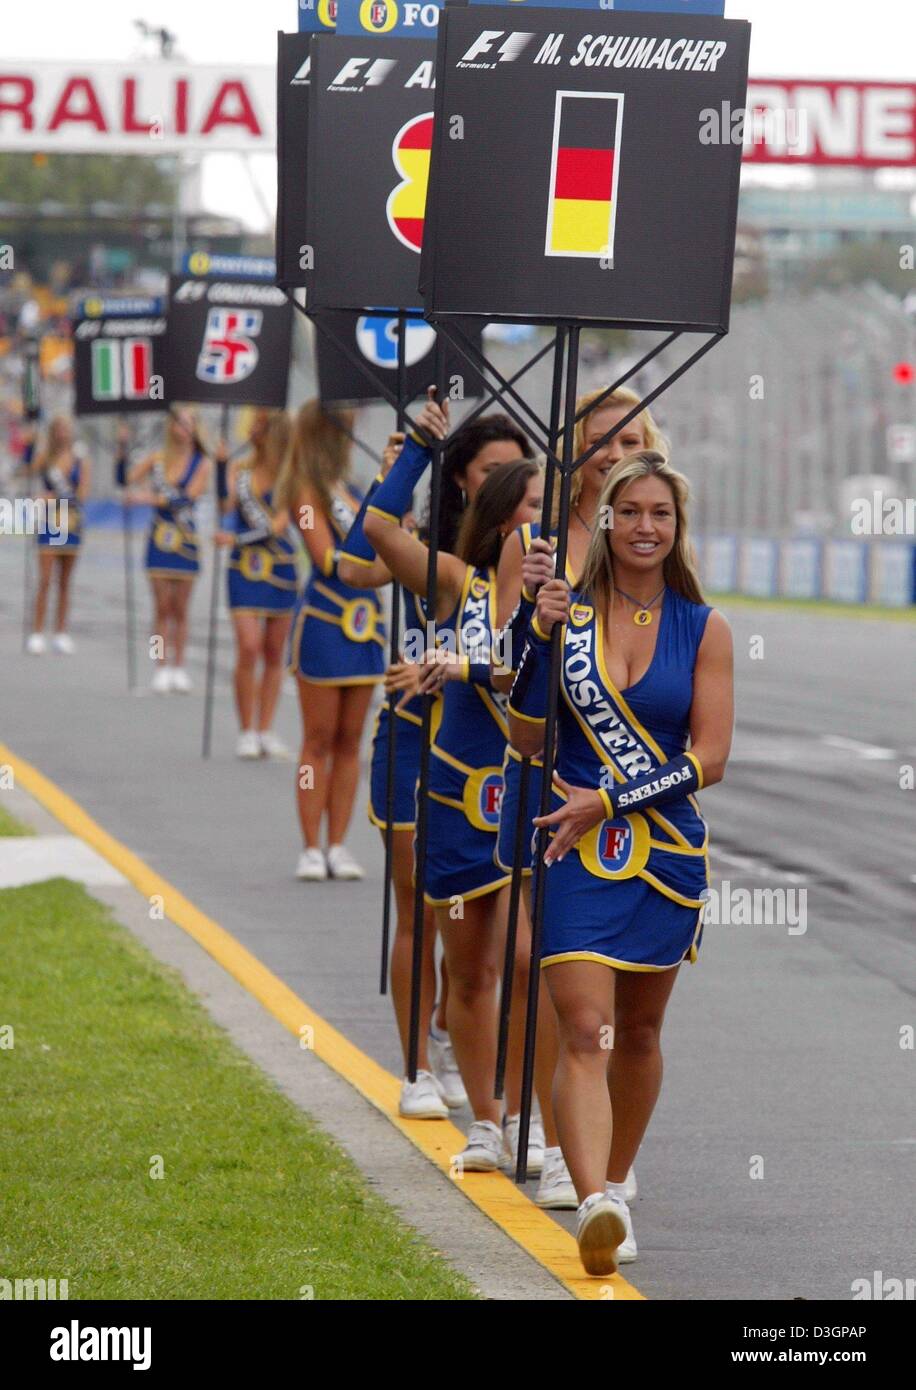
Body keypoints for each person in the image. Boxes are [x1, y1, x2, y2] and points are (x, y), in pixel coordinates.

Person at [509, 448, 733, 1276]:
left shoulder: (704, 627)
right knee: (582, 1027)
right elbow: (527, 736)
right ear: (604, 520)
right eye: (629, 511)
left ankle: (613, 1179)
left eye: (660, 514)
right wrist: (537, 629)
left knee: (638, 1031)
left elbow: (710, 758)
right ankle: (595, 1198)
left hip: (666, 853)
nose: (644, 526)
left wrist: (613, 798)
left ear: (677, 529)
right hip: (572, 846)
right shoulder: (565, 614)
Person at [365, 390, 559, 1173]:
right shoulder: (457, 582)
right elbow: (377, 530)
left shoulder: (564, 597)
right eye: (529, 502)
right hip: (450, 794)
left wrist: (463, 664)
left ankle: (536, 1121)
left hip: (527, 796)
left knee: (527, 960)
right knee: (471, 969)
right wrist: (416, 446)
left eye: (553, 503)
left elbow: (531, 675)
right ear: (500, 510)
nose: (540, 519)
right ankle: (486, 1117)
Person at [492, 386, 666, 1207]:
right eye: (600, 438)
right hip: (544, 770)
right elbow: (492, 659)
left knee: (610, 987)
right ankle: (554, 1135)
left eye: (629, 435)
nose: (614, 449)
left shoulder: (647, 533)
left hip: (626, 793)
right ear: (575, 449)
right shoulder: (535, 542)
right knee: (534, 963)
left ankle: (588, 1152)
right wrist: (533, 612)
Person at [339, 414, 533, 1120]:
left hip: (502, 757)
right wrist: (409, 458)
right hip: (418, 741)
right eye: (494, 475)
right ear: (469, 483)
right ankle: (419, 1061)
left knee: (503, 939)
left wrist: (455, 667)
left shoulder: (550, 576)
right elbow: (361, 555)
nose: (518, 497)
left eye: (528, 480)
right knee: (420, 904)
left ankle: (468, 1040)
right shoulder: (451, 563)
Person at [280, 401, 385, 882]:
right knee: (317, 741)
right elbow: (325, 558)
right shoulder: (304, 492)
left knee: (351, 742)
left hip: (366, 626)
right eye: (344, 428)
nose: (352, 435)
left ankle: (338, 843)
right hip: (325, 622)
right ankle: (307, 844)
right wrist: (387, 561)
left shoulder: (355, 488)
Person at [214, 409, 298, 760]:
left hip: (280, 568)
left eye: (260, 426)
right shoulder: (241, 470)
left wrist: (236, 540)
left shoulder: (292, 475)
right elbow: (225, 504)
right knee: (248, 646)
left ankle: (265, 729)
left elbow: (279, 525)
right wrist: (220, 468)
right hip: (245, 571)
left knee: (274, 652)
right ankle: (246, 729)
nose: (253, 431)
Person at [127, 407, 211, 693]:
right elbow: (126, 480)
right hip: (158, 541)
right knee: (161, 608)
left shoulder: (202, 463)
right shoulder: (157, 460)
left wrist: (147, 498)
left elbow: (187, 499)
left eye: (189, 423)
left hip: (186, 543)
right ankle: (159, 664)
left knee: (181, 610)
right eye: (179, 423)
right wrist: (122, 447)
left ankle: (179, 665)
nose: (184, 428)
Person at [27, 415, 90, 655]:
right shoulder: (45, 457)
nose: (63, 433)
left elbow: (81, 495)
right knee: (44, 580)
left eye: (67, 429)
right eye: (59, 429)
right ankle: (36, 631)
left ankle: (61, 632)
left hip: (71, 523)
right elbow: (26, 469)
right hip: (49, 524)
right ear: (54, 432)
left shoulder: (80, 460)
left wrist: (52, 498)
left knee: (64, 582)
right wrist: (28, 444)